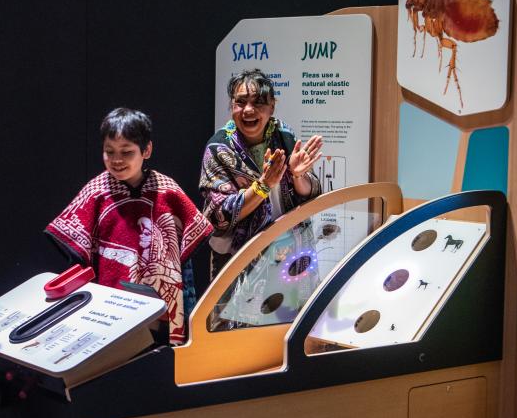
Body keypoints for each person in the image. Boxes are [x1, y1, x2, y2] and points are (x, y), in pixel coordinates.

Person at [45, 108, 212, 345]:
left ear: (147, 150)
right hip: (111, 305)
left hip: (162, 304)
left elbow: (186, 258)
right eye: (109, 152)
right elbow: (77, 247)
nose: (117, 160)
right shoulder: (96, 192)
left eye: (127, 152)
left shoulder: (168, 191)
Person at [200, 69, 324, 279]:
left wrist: (297, 175)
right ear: (232, 105)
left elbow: (311, 193)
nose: (248, 110)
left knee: (292, 311)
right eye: (240, 102)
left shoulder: (284, 135)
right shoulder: (219, 147)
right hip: (238, 259)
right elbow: (218, 216)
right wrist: (262, 186)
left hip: (289, 251)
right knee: (235, 313)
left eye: (258, 102)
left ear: (272, 106)